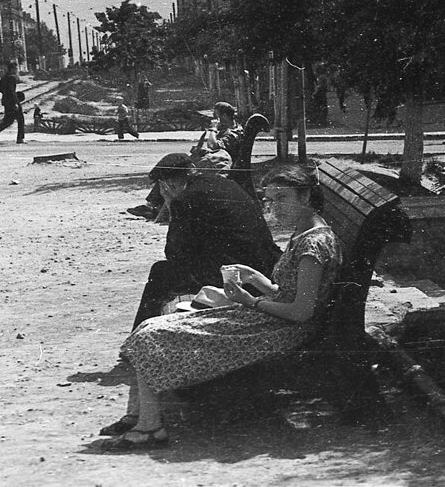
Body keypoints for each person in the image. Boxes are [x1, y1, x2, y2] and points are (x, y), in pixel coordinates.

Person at [101, 164, 341, 450]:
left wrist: (252, 301)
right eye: (270, 200)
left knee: (154, 333)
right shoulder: (304, 232)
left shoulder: (313, 246)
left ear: (305, 197)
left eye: (282, 198)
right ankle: (143, 417)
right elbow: (286, 292)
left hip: (281, 330)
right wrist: (254, 277)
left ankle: (148, 426)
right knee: (151, 328)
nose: (274, 207)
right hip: (272, 320)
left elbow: (302, 311)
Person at [126, 153, 282, 331]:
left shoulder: (184, 200)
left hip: (237, 276)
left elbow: (174, 254)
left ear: (168, 184)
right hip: (266, 267)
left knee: (161, 272)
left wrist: (170, 202)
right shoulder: (225, 183)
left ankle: (138, 334)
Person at [127, 101, 242, 220]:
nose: (212, 120)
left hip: (218, 166)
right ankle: (153, 206)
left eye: (215, 116)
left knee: (175, 164)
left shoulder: (233, 132)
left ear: (223, 117)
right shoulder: (229, 130)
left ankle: (152, 205)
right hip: (211, 162)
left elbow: (214, 146)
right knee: (173, 163)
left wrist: (213, 129)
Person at [0, 62, 25, 144]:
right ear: (12, 69)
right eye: (16, 69)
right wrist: (16, 103)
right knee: (20, 119)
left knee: (8, 120)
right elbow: (11, 91)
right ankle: (20, 138)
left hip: (6, 101)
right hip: (12, 101)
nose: (16, 70)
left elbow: (0, 89)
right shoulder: (12, 78)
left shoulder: (3, 77)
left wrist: (5, 95)